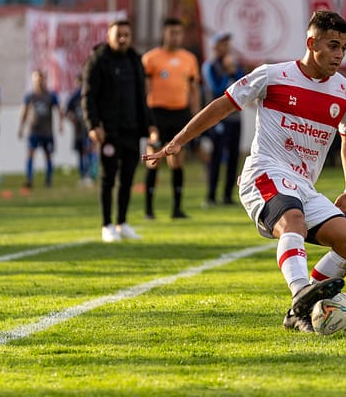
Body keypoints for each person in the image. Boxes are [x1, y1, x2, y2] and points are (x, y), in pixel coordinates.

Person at [143, 10, 346, 334]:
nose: (339, 55)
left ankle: (298, 309)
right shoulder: (273, 76)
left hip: (303, 185)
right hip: (265, 171)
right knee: (293, 222)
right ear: (310, 42)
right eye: (333, 46)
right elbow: (223, 104)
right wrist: (179, 141)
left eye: (344, 47)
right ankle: (302, 292)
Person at [83, 19, 152, 243]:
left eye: (126, 34)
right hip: (108, 130)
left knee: (128, 178)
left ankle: (122, 222)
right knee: (107, 177)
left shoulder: (135, 60)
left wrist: (148, 126)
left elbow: (141, 97)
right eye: (118, 34)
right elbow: (89, 96)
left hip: (131, 129)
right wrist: (93, 125)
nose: (122, 38)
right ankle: (106, 224)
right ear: (109, 36)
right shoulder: (98, 60)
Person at [142, 17, 200, 220]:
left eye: (178, 32)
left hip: (180, 114)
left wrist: (196, 114)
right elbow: (145, 90)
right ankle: (148, 210)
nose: (175, 36)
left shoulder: (189, 59)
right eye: (171, 32)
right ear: (164, 33)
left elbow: (194, 89)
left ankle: (177, 208)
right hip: (157, 114)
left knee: (177, 160)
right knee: (153, 158)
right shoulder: (151, 58)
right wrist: (146, 119)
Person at [201, 32, 247, 207]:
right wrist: (229, 73)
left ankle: (227, 195)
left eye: (227, 44)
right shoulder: (210, 66)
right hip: (218, 119)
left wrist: (233, 71)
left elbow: (243, 85)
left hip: (235, 118)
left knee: (234, 156)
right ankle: (211, 195)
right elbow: (217, 89)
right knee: (217, 155)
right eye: (223, 44)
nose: (226, 47)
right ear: (215, 46)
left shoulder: (234, 65)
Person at [18, 69, 64, 189]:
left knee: (48, 155)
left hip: (47, 132)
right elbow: (24, 112)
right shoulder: (30, 96)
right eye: (36, 78)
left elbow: (59, 110)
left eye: (40, 78)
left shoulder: (51, 95)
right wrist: (21, 128)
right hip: (34, 131)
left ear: (44, 80)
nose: (38, 81)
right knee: (30, 154)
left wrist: (61, 124)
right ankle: (29, 179)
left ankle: (48, 181)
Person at [66, 75, 95, 188]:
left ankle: (89, 175)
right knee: (80, 154)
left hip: (88, 129)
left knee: (88, 151)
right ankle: (83, 176)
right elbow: (67, 111)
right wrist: (73, 120)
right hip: (78, 130)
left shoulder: (89, 95)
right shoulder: (73, 98)